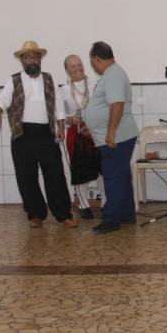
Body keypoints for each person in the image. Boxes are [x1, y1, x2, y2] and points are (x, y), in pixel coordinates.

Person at [0, 40, 76, 229]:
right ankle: (35, 214)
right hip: (22, 135)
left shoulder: (49, 78)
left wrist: (61, 124)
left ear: (40, 59)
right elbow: (2, 99)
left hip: (46, 133)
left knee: (55, 174)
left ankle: (63, 215)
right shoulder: (13, 80)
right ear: (22, 60)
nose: (31, 60)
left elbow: (58, 103)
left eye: (35, 56)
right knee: (26, 176)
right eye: (28, 57)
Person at [83, 41, 139, 233]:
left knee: (113, 177)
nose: (93, 67)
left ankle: (111, 219)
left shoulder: (113, 75)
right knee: (121, 175)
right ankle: (126, 214)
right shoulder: (112, 73)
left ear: (97, 59)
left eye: (92, 63)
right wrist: (92, 124)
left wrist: (110, 133)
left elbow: (117, 105)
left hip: (117, 137)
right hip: (118, 135)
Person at [58, 54, 103, 219]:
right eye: (73, 66)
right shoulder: (62, 90)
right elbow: (60, 115)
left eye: (79, 64)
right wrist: (71, 119)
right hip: (76, 134)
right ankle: (84, 205)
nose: (77, 68)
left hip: (96, 132)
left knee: (102, 168)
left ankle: (105, 203)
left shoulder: (95, 84)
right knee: (80, 170)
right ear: (67, 70)